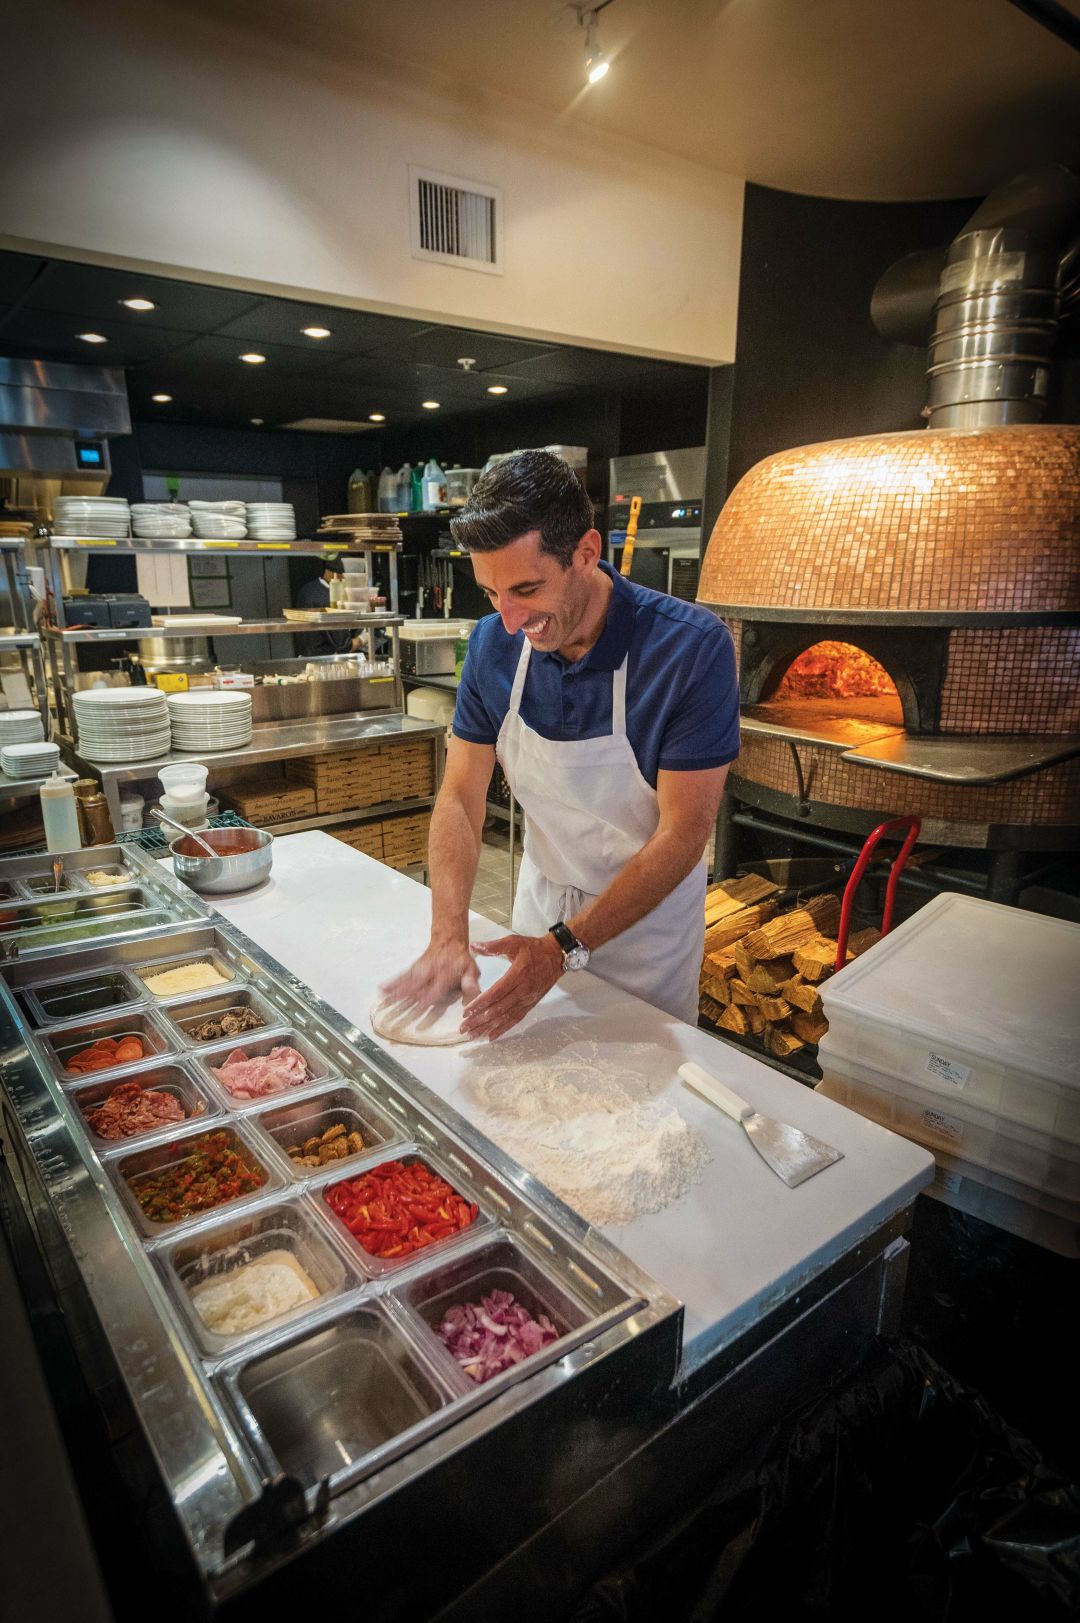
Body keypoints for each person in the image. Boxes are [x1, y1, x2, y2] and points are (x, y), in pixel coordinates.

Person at [382, 449, 740, 1040]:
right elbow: (461, 796)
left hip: (645, 934)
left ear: (587, 553)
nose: (511, 618)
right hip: (541, 909)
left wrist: (566, 946)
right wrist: (449, 932)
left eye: (526, 588)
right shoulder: (494, 645)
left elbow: (684, 834)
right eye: (492, 593)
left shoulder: (690, 649)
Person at [294, 556, 361, 656]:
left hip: (304, 658)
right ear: (338, 576)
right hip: (326, 663)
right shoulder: (331, 600)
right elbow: (345, 647)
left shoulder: (307, 589)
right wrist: (364, 638)